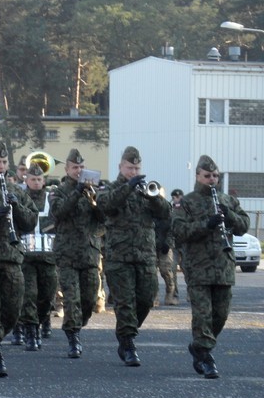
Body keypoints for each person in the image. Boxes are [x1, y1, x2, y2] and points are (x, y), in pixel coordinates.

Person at [171, 155, 249, 379]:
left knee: (221, 315)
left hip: (224, 266)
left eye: (215, 176)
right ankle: (205, 355)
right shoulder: (188, 201)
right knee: (203, 315)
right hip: (198, 267)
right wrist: (206, 224)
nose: (212, 179)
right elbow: (179, 230)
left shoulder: (227, 200)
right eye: (207, 176)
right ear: (198, 176)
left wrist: (229, 215)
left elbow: (243, 226)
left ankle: (198, 346)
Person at [97, 146, 170, 367]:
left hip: (145, 255)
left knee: (147, 298)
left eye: (137, 167)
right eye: (130, 167)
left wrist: (153, 197)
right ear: (121, 167)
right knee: (125, 302)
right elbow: (106, 206)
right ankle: (128, 342)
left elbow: (165, 213)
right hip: (119, 256)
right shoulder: (111, 188)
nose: (134, 171)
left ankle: (126, 331)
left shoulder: (146, 190)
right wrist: (127, 188)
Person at [0, 141, 37, 376]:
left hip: (12, 257)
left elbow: (31, 222)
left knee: (12, 311)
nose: (1, 167)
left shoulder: (17, 190)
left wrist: (16, 206)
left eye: (4, 163)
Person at [49, 149, 106, 358]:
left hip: (89, 253)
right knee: (71, 299)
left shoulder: (93, 191)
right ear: (67, 169)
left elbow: (103, 219)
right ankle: (73, 336)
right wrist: (77, 192)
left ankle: (77, 325)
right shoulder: (59, 191)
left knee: (89, 299)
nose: (79, 171)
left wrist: (96, 200)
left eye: (81, 167)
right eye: (75, 167)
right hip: (68, 254)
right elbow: (59, 212)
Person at [17, 163, 57, 350]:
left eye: (39, 179)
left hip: (48, 256)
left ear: (44, 181)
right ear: (26, 180)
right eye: (32, 179)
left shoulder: (52, 198)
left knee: (47, 297)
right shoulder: (19, 198)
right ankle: (31, 331)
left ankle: (39, 322)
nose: (36, 182)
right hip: (26, 256)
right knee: (29, 295)